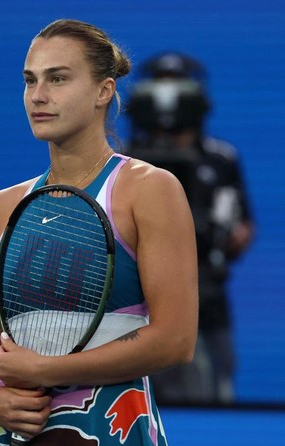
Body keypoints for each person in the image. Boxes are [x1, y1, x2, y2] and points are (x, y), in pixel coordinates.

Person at [0, 19, 198, 445]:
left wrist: (47, 370)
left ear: (104, 91)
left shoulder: (149, 189)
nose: (38, 95)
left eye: (58, 79)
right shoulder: (1, 207)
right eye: (30, 80)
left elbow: (175, 340)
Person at [125, 51, 254, 405]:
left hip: (208, 295)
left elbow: (244, 227)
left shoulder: (221, 158)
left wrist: (227, 236)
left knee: (214, 388)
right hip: (137, 298)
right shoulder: (123, 159)